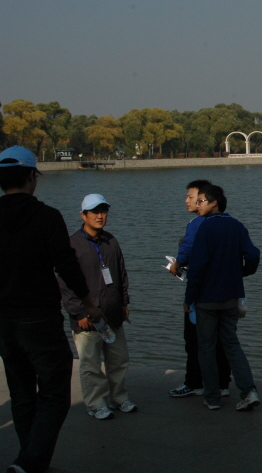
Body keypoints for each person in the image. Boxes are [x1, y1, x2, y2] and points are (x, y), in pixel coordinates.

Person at [0, 146, 103, 473]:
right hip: (38, 318)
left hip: (3, 320)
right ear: (32, 176)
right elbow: (67, 265)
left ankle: (30, 460)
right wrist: (88, 303)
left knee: (21, 393)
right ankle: (29, 463)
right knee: (56, 391)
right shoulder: (46, 216)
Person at [184, 184, 261, 411]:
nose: (198, 205)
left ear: (214, 202)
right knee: (232, 345)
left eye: (201, 201)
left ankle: (212, 396)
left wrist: (188, 299)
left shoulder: (204, 228)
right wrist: (243, 272)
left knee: (206, 348)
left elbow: (196, 267)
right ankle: (248, 391)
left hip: (206, 298)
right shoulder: (236, 226)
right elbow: (253, 254)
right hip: (231, 296)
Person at [59, 194, 136, 420]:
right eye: (95, 212)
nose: (100, 216)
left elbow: (121, 273)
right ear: (83, 215)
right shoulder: (73, 245)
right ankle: (95, 404)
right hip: (88, 318)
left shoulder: (111, 241)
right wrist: (78, 311)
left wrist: (124, 302)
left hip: (112, 314)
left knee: (119, 360)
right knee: (91, 364)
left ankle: (120, 398)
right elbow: (64, 282)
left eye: (103, 211)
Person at [168, 180, 232, 399]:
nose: (187, 200)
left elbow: (186, 252)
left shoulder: (197, 223)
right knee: (222, 340)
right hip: (226, 292)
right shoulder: (227, 223)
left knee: (194, 339)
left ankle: (194, 382)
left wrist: (177, 264)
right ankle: (222, 383)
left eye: (191, 196)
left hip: (201, 294)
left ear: (203, 198)